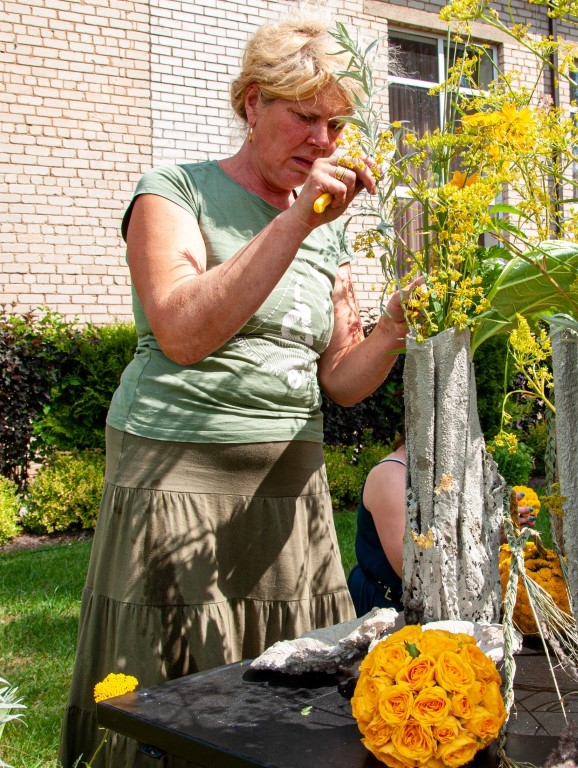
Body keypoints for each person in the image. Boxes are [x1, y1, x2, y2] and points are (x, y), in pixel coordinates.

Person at [59, 12, 414, 768]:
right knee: (175, 699)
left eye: (337, 126)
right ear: (252, 103)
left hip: (291, 490)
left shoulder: (329, 230)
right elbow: (185, 331)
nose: (323, 142)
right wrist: (296, 222)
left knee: (296, 699)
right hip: (178, 478)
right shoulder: (173, 193)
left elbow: (340, 380)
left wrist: (393, 325)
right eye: (306, 118)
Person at [347, 438, 537, 616]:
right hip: (389, 609)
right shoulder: (391, 476)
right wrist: (484, 540)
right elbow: (414, 573)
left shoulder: (452, 470)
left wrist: (499, 535)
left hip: (442, 602)